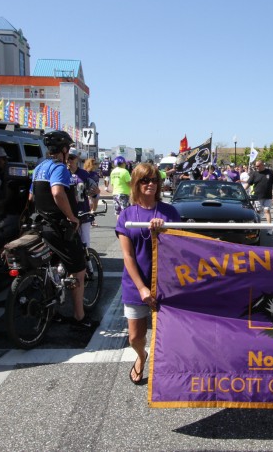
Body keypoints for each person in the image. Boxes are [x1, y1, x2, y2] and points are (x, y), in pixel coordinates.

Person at [116, 163, 181, 384]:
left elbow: (181, 248)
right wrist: (142, 288)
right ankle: (141, 355)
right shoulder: (126, 214)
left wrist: (164, 232)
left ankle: (164, 369)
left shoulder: (169, 212)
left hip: (166, 284)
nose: (151, 184)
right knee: (135, 336)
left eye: (154, 180)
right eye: (145, 180)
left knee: (169, 336)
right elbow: (128, 257)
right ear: (135, 183)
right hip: (136, 285)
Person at [30, 130, 96, 329]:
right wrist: (71, 217)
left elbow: (31, 198)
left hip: (41, 225)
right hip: (59, 227)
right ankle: (79, 316)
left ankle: (53, 310)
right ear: (64, 150)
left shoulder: (39, 168)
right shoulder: (60, 168)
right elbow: (58, 193)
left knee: (51, 268)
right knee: (79, 271)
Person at [67, 149, 99, 245]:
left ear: (77, 159)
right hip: (67, 211)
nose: (69, 160)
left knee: (84, 239)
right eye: (67, 158)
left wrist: (95, 193)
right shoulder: (61, 173)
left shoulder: (84, 174)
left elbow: (94, 193)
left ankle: (87, 259)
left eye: (71, 158)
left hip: (82, 210)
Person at [247, 160, 273, 236]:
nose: (256, 167)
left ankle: (269, 229)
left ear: (262, 165)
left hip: (268, 196)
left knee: (267, 210)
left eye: (258, 166)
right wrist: (242, 191)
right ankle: (257, 227)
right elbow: (248, 183)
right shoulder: (254, 173)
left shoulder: (270, 172)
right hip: (257, 196)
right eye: (255, 166)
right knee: (258, 212)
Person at [83, 158, 101, 224]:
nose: (96, 166)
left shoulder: (95, 173)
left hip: (96, 191)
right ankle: (91, 220)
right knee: (89, 206)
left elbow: (97, 183)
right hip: (88, 193)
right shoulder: (85, 173)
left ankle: (91, 218)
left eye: (97, 164)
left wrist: (98, 190)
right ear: (90, 164)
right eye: (95, 164)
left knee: (95, 206)